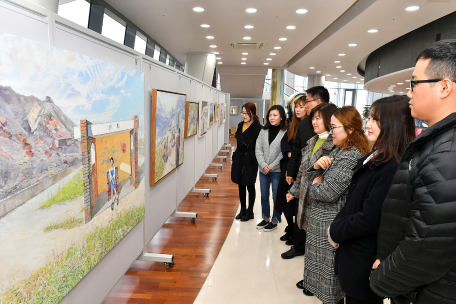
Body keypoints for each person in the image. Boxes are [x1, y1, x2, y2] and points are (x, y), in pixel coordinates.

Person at [370, 40, 456, 304]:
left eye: (414, 83)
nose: (409, 93)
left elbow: (427, 245)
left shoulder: (447, 153)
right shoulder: (438, 142)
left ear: (444, 87)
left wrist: (382, 278)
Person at [327, 96, 415, 304]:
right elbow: (352, 202)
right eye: (370, 117)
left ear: (393, 124)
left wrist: (336, 231)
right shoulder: (377, 155)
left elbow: (370, 217)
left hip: (364, 257)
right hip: (353, 250)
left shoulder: (392, 166)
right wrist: (337, 226)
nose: (368, 124)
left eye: (375, 119)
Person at [300, 106, 370, 304]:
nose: (331, 132)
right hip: (324, 223)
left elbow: (327, 192)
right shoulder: (340, 150)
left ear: (349, 129)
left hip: (329, 225)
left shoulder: (350, 156)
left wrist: (316, 184)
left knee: (331, 289)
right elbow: (313, 175)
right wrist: (316, 168)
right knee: (326, 285)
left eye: (334, 127)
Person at [284, 103, 338, 262]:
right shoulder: (312, 141)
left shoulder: (334, 144)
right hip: (304, 194)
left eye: (318, 118)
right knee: (303, 230)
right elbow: (302, 170)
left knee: (317, 243)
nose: (314, 122)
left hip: (318, 198)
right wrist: (293, 191)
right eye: (313, 118)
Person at [274, 95, 307, 243]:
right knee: (284, 201)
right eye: (296, 106)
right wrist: (289, 152)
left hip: (300, 169)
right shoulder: (292, 125)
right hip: (288, 167)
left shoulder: (308, 126)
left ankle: (295, 233)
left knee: (295, 204)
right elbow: (284, 142)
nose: (298, 110)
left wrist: (294, 154)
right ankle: (289, 228)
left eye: (301, 106)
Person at [255, 105, 287, 232]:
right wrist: (263, 165)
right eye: (270, 115)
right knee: (263, 196)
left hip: (277, 171)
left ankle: (275, 219)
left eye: (275, 115)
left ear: (281, 117)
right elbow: (258, 149)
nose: (272, 117)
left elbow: (283, 153)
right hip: (263, 170)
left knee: (276, 197)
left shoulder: (285, 132)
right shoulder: (263, 130)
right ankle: (265, 218)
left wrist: (271, 166)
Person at [231, 102, 262, 222]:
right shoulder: (240, 125)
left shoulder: (258, 128)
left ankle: (250, 211)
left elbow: (259, 146)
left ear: (253, 113)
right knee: (240, 184)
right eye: (243, 112)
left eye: (247, 113)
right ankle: (242, 209)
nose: (244, 115)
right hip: (239, 157)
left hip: (250, 159)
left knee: (249, 184)